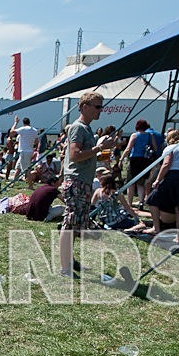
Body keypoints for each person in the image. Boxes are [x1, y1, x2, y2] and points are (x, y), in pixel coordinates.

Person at [59, 91, 114, 277]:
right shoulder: (78, 128)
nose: (100, 110)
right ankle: (65, 267)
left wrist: (101, 152)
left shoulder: (87, 129)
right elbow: (75, 155)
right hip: (76, 180)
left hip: (83, 181)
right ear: (84, 107)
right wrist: (99, 148)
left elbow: (85, 155)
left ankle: (69, 261)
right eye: (97, 106)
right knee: (70, 223)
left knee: (77, 223)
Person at [144, 128, 179, 234]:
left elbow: (166, 164)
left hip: (172, 177)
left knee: (152, 200)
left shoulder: (170, 148)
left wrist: (157, 180)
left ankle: (156, 227)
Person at [119, 119, 157, 208]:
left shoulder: (134, 135)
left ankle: (129, 203)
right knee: (141, 182)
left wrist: (121, 159)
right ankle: (141, 202)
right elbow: (155, 148)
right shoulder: (150, 135)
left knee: (131, 182)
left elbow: (128, 148)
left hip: (134, 160)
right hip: (145, 160)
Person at [10, 116, 39, 181]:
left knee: (27, 170)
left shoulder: (23, 129)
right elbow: (36, 141)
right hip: (29, 151)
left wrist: (15, 122)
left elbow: (11, 132)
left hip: (24, 152)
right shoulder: (34, 130)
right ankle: (13, 182)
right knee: (18, 167)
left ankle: (30, 185)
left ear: (23, 123)